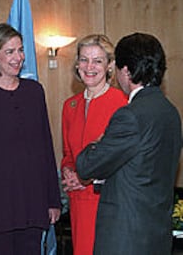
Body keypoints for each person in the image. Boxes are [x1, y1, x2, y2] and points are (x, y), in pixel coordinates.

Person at [76, 33, 182, 254]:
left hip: (125, 239)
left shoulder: (130, 116)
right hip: (157, 236)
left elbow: (86, 166)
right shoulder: (171, 112)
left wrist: (99, 140)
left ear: (125, 71)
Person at [0, 23, 61, 254]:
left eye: (20, 50)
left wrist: (53, 201)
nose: (18, 57)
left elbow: (46, 148)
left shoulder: (35, 92)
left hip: (33, 206)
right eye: (10, 52)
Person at [60, 34, 128, 255]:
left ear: (110, 65)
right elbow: (69, 154)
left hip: (107, 202)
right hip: (77, 203)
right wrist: (69, 171)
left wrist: (86, 178)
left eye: (97, 60)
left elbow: (125, 161)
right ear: (77, 64)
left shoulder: (122, 104)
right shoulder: (69, 106)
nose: (89, 66)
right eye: (84, 59)